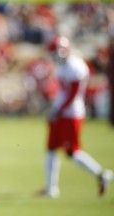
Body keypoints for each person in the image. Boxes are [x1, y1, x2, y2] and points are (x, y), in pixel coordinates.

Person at [42, 35, 113, 198]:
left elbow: (74, 93)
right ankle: (51, 188)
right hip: (61, 111)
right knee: (51, 149)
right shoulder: (64, 65)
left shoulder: (76, 66)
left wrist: (58, 110)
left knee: (72, 151)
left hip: (71, 113)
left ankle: (101, 174)